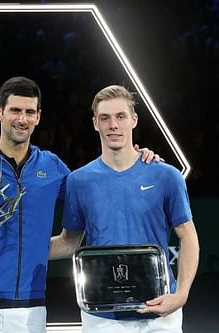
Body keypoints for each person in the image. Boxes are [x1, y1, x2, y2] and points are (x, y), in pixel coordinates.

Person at [0, 77, 159, 333]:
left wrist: (134, 159)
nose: (22, 119)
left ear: (38, 116)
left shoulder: (52, 168)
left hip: (32, 312)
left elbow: (95, 191)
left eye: (29, 112)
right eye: (15, 110)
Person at [50, 85, 200, 333]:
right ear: (95, 123)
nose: (113, 125)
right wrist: (19, 250)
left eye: (120, 116)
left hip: (160, 312)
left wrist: (181, 294)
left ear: (134, 120)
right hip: (102, 316)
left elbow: (188, 236)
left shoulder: (166, 176)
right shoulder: (78, 181)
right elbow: (69, 243)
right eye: (105, 118)